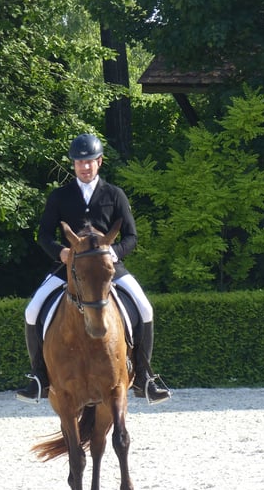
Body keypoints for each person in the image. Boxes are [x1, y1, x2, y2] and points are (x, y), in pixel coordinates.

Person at [16, 133, 171, 404]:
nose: (84, 167)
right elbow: (43, 235)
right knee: (32, 311)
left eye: (89, 162)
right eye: (79, 163)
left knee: (145, 308)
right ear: (73, 165)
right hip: (69, 267)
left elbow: (132, 236)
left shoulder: (115, 194)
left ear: (99, 162)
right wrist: (61, 251)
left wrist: (114, 253)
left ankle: (145, 376)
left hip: (106, 267)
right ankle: (38, 377)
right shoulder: (60, 196)